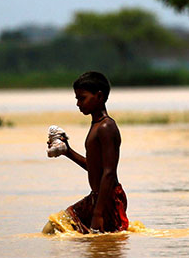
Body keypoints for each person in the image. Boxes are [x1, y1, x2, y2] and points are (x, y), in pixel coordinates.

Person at [44, 71, 129, 234]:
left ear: (99, 96)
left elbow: (109, 173)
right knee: (53, 229)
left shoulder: (106, 127)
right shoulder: (96, 125)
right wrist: (67, 151)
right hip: (97, 198)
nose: (78, 103)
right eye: (77, 98)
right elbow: (95, 168)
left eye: (82, 98)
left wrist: (98, 213)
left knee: (104, 245)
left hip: (107, 200)